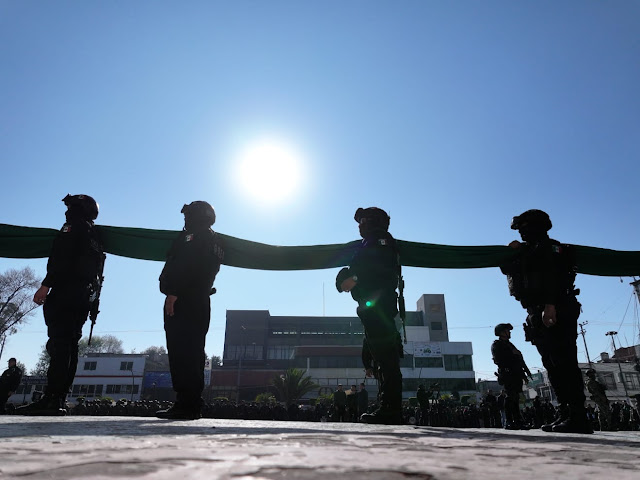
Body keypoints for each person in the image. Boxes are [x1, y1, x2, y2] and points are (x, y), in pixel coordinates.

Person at [500, 209, 592, 434]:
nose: (521, 233)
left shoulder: (553, 249)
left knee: (565, 363)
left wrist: (550, 305)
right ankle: (566, 412)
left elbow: (557, 278)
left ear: (537, 227)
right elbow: (509, 270)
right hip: (537, 312)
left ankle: (578, 415)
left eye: (524, 229)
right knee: (552, 364)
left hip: (556, 309)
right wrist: (512, 253)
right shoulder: (528, 251)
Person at [17, 194, 104, 416]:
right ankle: (59, 397)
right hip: (83, 295)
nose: (67, 211)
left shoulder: (72, 228)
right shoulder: (93, 233)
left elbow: (62, 259)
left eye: (71, 207)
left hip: (66, 291)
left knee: (60, 346)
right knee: (70, 347)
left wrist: (46, 285)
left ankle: (52, 399)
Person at [156, 201, 224, 420]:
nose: (185, 219)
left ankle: (186, 404)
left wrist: (173, 292)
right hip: (198, 299)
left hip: (185, 298)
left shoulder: (195, 237)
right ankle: (189, 403)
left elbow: (188, 266)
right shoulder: (213, 239)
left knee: (182, 351)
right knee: (193, 351)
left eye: (188, 215)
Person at [336, 207, 403, 425]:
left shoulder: (378, 241)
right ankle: (389, 407)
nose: (359, 225)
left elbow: (370, 271)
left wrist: (349, 278)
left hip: (378, 307)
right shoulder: (377, 241)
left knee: (386, 360)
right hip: (377, 307)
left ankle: (391, 410)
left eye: (362, 221)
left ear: (372, 222)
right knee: (383, 359)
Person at [491, 323, 532, 429]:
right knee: (510, 397)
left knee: (516, 398)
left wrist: (524, 374)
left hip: (516, 374)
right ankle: (509, 421)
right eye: (507, 331)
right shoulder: (497, 345)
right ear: (501, 332)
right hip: (507, 374)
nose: (509, 333)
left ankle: (518, 420)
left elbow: (518, 360)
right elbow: (498, 360)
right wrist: (512, 354)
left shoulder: (510, 345)